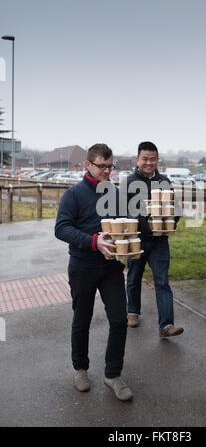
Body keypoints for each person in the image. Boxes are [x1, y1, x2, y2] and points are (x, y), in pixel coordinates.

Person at [54, 143, 132, 402]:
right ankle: (80, 370)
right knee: (82, 320)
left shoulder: (116, 193)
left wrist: (130, 242)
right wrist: (93, 241)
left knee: (120, 319)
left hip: (111, 268)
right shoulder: (73, 195)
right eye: (102, 166)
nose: (107, 171)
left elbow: (124, 225)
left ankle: (113, 374)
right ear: (88, 165)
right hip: (83, 266)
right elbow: (61, 228)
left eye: (110, 166)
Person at [124, 141, 184, 337]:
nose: (148, 163)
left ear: (158, 160)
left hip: (159, 242)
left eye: (152, 159)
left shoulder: (165, 181)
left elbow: (176, 209)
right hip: (137, 239)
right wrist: (140, 224)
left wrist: (170, 224)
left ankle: (166, 325)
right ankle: (132, 312)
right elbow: (122, 211)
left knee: (162, 281)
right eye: (145, 159)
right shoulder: (129, 182)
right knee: (133, 278)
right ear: (137, 160)